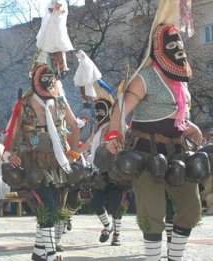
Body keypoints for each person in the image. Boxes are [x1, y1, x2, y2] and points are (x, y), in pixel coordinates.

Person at [106, 1, 202, 260]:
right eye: (172, 45)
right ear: (159, 48)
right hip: (146, 153)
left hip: (178, 152)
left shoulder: (182, 85)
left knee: (191, 209)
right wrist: (113, 136)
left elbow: (176, 115)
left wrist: (190, 127)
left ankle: (175, 258)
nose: (179, 49)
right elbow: (120, 110)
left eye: (180, 44)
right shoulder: (144, 77)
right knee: (153, 214)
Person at [6, 48, 80, 261]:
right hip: (33, 161)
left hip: (57, 161)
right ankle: (50, 253)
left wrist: (73, 152)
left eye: (51, 76)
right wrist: (10, 154)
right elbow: (11, 132)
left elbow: (75, 126)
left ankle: (39, 251)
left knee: (56, 204)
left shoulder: (60, 101)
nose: (49, 80)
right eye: (44, 76)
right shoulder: (23, 104)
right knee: (46, 203)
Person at [82, 98, 128, 246]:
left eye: (101, 111)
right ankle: (108, 227)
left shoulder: (123, 126)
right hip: (101, 171)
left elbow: (127, 145)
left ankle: (117, 235)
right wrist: (71, 152)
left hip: (117, 172)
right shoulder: (98, 130)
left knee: (117, 204)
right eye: (97, 112)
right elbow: (88, 144)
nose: (98, 115)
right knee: (96, 202)